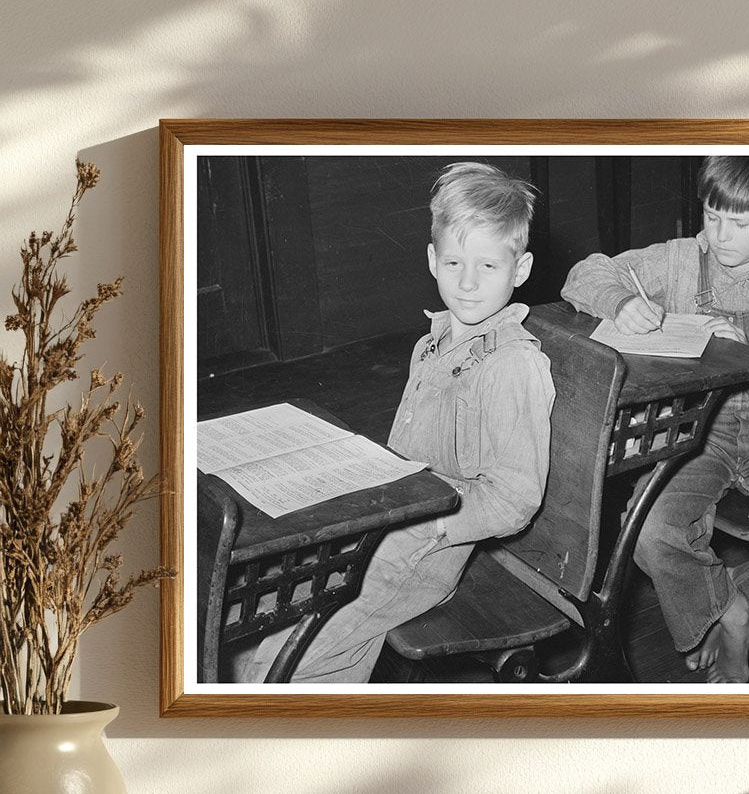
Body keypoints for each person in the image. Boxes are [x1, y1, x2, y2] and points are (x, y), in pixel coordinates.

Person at [231, 162, 555, 683]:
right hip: (382, 531)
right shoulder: (431, 344)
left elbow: (514, 500)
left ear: (520, 270)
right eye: (453, 262)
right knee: (264, 626)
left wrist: (421, 518)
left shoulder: (512, 365)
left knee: (275, 665)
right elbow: (403, 454)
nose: (467, 283)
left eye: (488, 268)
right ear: (432, 259)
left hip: (423, 554)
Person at [561, 155, 749, 684]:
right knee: (648, 532)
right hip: (696, 426)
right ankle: (718, 612)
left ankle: (743, 613)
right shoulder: (682, 261)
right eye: (712, 216)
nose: (719, 235)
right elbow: (584, 273)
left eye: (739, 223)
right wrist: (620, 301)